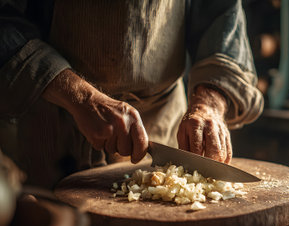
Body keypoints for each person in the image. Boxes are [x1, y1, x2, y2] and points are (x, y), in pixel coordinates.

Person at [0, 0, 264, 187]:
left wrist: (209, 102)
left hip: (163, 124)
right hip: (52, 126)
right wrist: (81, 98)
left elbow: (221, 13)